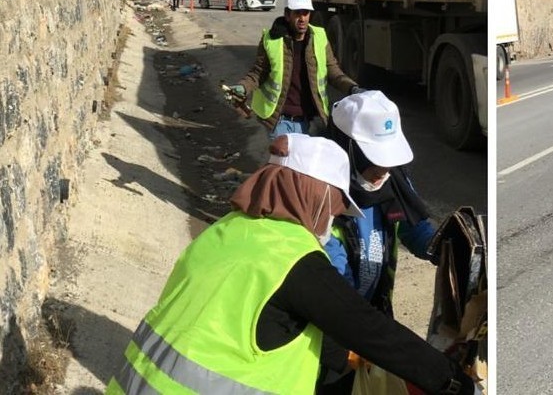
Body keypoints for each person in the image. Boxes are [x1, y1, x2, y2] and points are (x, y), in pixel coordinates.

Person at [106, 134, 477, 395]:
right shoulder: (295, 260)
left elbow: (262, 320)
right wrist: (451, 380)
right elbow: (368, 329)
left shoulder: (224, 231)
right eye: (332, 205)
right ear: (311, 194)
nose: (332, 218)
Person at [319, 90, 443, 392]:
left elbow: (413, 227)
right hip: (332, 329)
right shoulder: (321, 193)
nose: (383, 171)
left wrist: (442, 246)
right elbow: (333, 285)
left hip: (373, 315)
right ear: (347, 149)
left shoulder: (393, 180)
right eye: (375, 161)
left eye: (388, 161)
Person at [228, 0, 360, 138]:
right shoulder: (271, 40)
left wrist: (352, 88)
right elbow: (258, 72)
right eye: (297, 13)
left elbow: (334, 71)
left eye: (306, 13)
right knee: (285, 161)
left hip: (311, 120)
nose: (302, 18)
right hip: (280, 121)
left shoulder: (319, 37)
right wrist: (243, 87)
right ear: (287, 15)